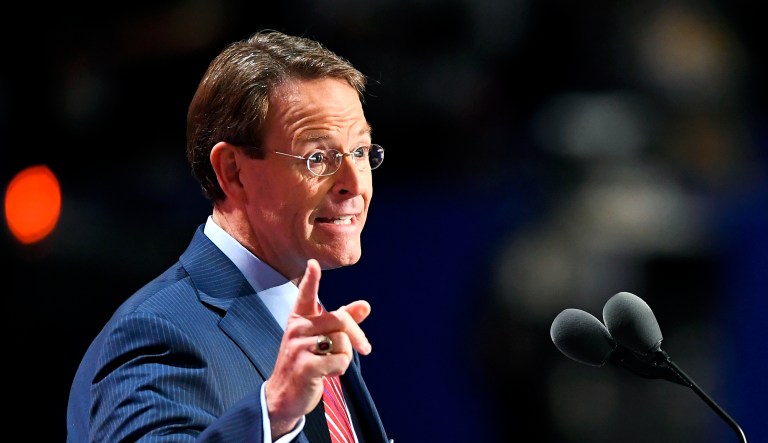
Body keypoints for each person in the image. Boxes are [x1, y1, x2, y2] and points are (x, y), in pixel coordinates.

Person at [67, 29, 390, 443]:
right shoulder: (158, 330)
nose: (353, 183)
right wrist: (273, 412)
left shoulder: (311, 331)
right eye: (317, 157)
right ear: (233, 172)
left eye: (361, 151)